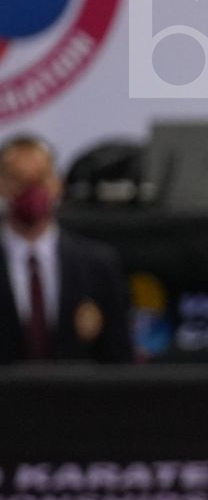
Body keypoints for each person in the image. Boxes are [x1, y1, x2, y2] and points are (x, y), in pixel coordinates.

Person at [0, 133, 131, 364]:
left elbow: (118, 357)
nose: (31, 191)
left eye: (40, 180)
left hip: (75, 387)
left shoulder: (97, 265)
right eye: (18, 179)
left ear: (57, 184)